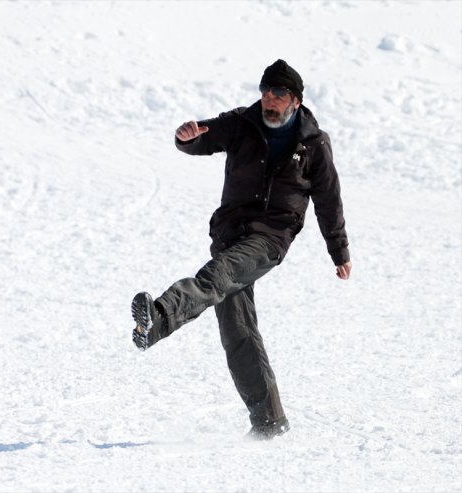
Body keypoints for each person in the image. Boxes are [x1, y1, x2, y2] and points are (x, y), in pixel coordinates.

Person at [131, 59, 352, 440]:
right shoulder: (241, 122)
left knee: (219, 275)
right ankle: (269, 422)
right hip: (230, 232)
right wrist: (187, 138)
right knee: (238, 329)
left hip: (270, 237)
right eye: (265, 91)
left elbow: (328, 200)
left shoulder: (314, 144)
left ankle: (160, 315)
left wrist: (339, 251)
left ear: (294, 101)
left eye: (278, 94)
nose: (269, 99)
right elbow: (202, 136)